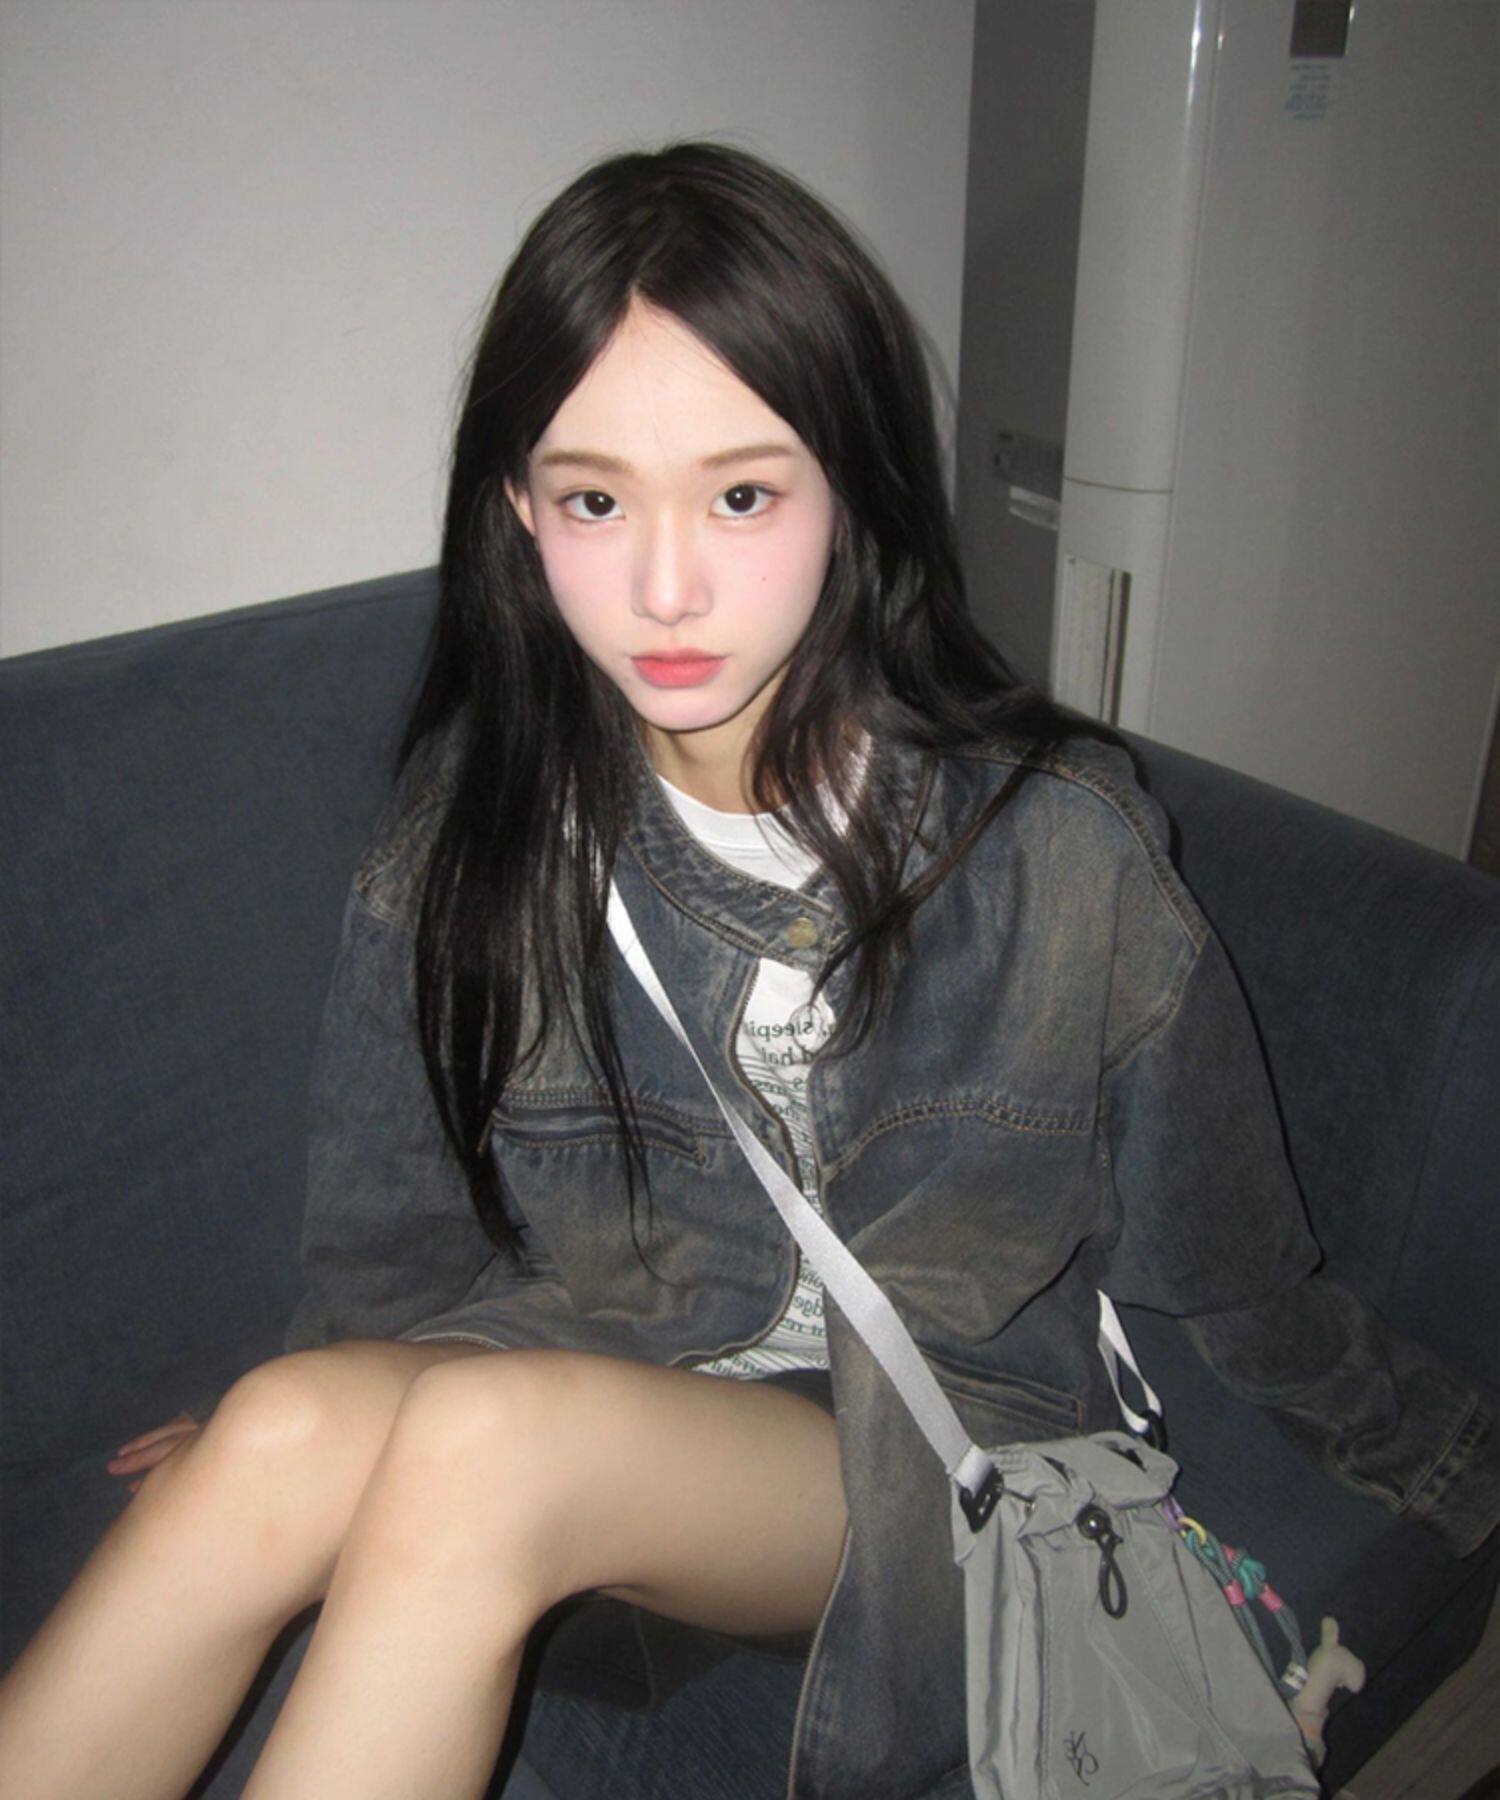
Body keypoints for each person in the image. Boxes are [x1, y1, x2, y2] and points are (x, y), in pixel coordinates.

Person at [0, 138, 1495, 1800]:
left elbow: (1235, 1259)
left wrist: (1440, 1456)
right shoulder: (468, 837)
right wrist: (309, 1408)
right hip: (617, 1374)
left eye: (740, 494)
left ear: (852, 486)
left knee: (491, 1447)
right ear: (519, 508)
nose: (665, 587)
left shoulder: (1058, 849)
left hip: (921, 1447)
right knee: (279, 1431)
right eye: (594, 500)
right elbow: (391, 1244)